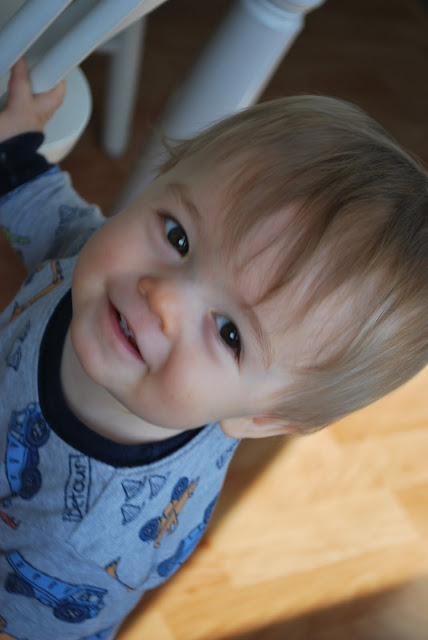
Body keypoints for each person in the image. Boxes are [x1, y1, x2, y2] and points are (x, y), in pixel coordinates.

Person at [1, 59, 427, 639]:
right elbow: (58, 225)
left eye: (230, 333)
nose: (163, 297)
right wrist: (16, 152)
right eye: (178, 235)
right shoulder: (103, 272)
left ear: (260, 418)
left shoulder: (86, 542)